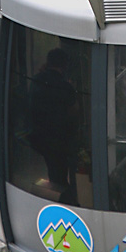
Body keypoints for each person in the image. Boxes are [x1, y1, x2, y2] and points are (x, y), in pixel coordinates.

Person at [29, 48, 78, 189]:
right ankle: (64, 193)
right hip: (59, 138)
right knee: (59, 171)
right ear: (64, 65)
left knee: (52, 168)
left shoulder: (36, 80)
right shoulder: (65, 86)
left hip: (38, 135)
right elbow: (74, 111)